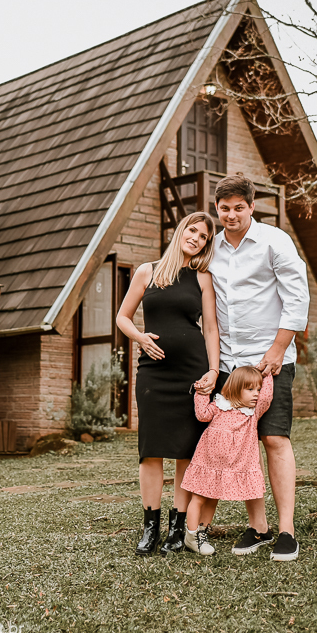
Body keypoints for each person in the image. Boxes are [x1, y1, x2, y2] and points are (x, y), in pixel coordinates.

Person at [209, 174, 309, 562]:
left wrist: (278, 349)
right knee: (240, 444)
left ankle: (287, 531)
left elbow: (297, 298)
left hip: (270, 362)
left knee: (274, 439)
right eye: (224, 209)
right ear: (217, 209)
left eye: (238, 208)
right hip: (229, 365)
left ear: (252, 207)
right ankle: (260, 528)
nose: (231, 215)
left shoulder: (275, 241)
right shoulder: (212, 249)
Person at [115, 212, 220, 556]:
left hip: (191, 372)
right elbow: (122, 317)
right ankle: (150, 527)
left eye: (203, 236)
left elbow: (210, 329)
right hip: (153, 373)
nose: (196, 238)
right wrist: (140, 338)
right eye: (193, 230)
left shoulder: (202, 278)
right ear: (181, 231)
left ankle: (177, 528)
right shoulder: (148, 271)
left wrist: (214, 370)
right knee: (151, 450)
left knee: (184, 452)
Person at [178, 367, 273, 555]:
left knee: (213, 499)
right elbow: (202, 414)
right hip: (208, 461)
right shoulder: (220, 405)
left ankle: (202, 532)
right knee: (198, 498)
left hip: (228, 466)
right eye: (250, 389)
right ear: (235, 388)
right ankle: (191, 535)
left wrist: (267, 373)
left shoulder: (252, 414)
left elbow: (267, 396)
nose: (256, 394)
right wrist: (201, 392)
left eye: (258, 389)